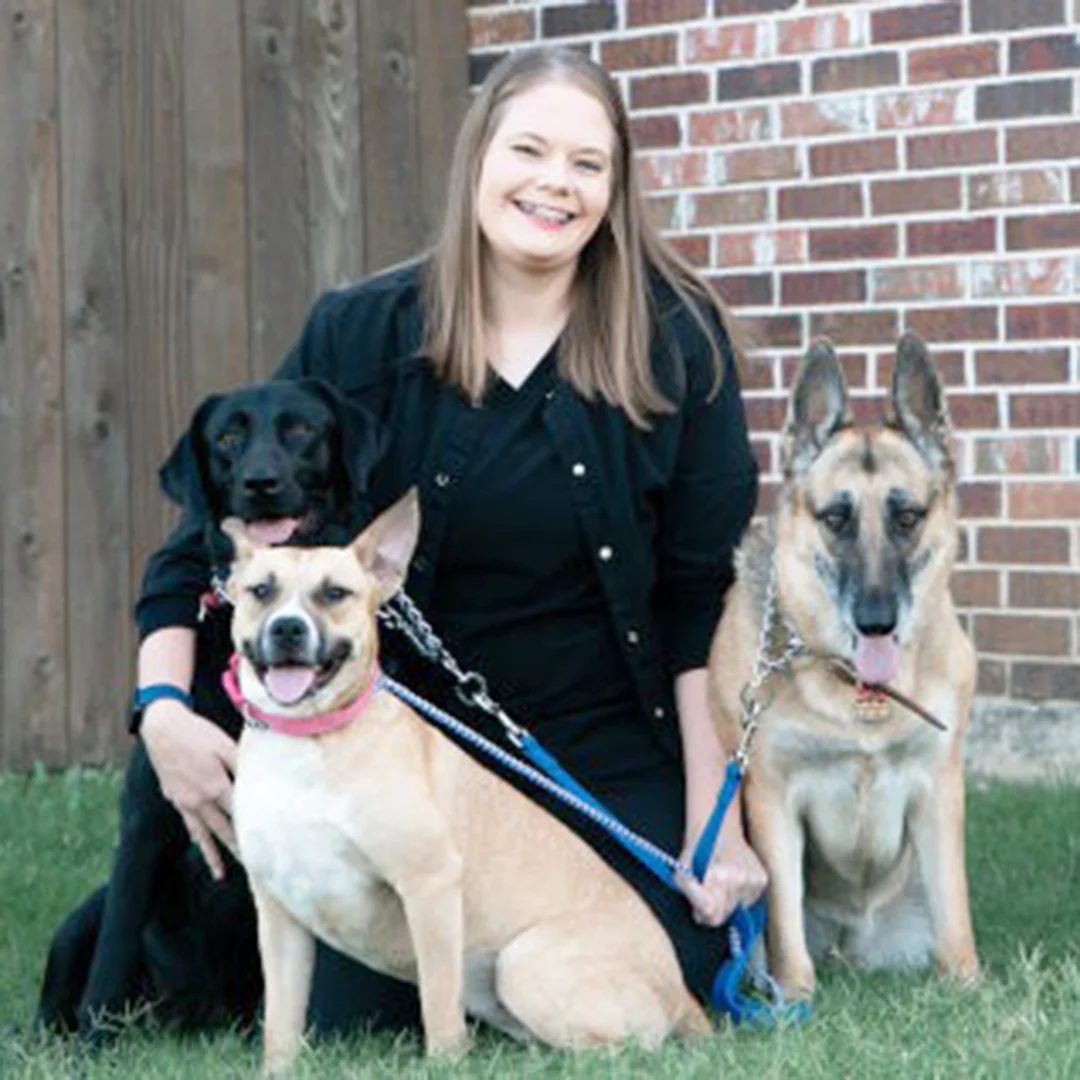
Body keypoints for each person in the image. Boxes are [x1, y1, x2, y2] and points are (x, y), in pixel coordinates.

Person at [136, 45, 766, 1035]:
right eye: (529, 149)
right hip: (402, 750)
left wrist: (715, 815)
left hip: (602, 747)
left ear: (617, 189)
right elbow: (202, 545)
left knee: (658, 963)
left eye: (588, 163)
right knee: (360, 1016)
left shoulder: (675, 342)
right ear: (478, 155)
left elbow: (700, 606)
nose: (555, 182)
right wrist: (162, 708)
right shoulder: (361, 332)